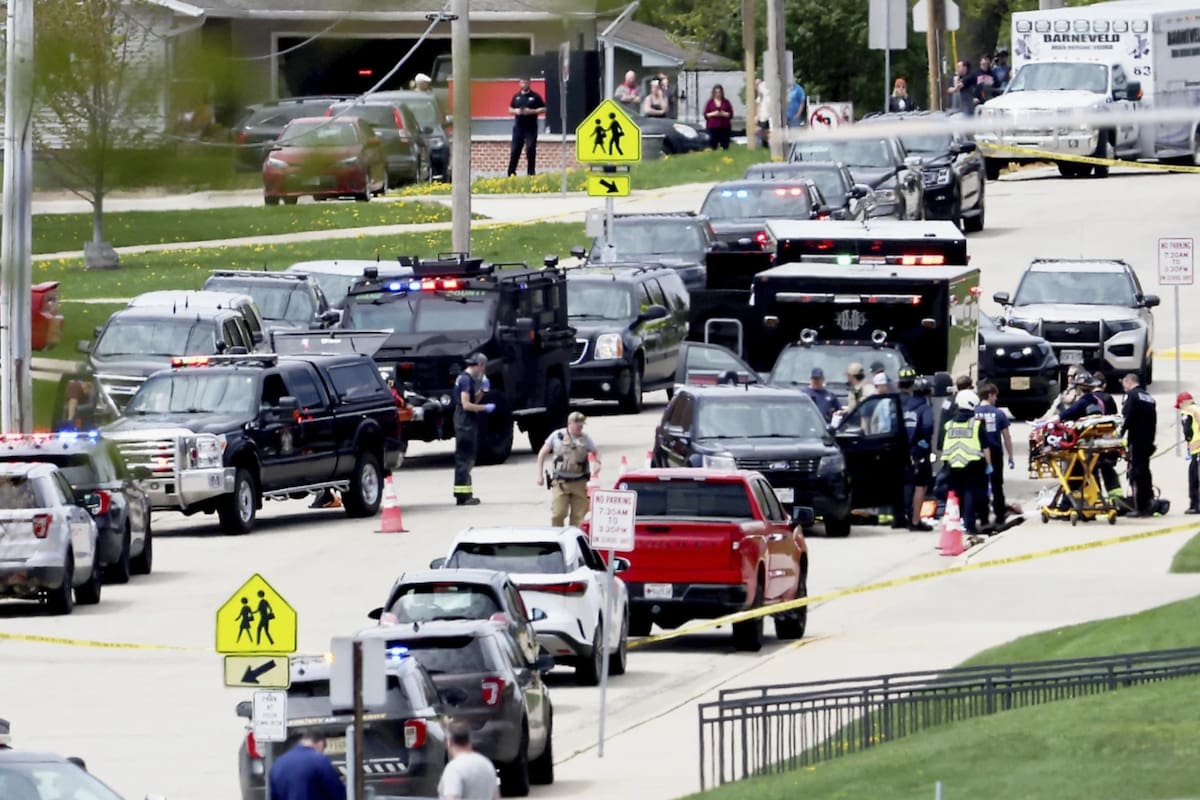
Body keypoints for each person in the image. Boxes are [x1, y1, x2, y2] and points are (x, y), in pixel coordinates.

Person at [536, 411, 600, 526]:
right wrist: (539, 475)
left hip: (579, 483)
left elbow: (596, 452)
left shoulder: (585, 439)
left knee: (579, 517)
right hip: (561, 483)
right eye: (578, 425)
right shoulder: (556, 436)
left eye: (582, 425)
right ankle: (557, 538)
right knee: (558, 514)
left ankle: (574, 540)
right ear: (570, 423)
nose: (580, 427)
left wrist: (598, 462)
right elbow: (542, 453)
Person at [942, 389, 992, 535]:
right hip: (972, 464)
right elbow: (985, 447)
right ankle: (970, 525)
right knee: (970, 493)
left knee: (958, 494)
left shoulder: (949, 424)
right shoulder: (976, 424)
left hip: (953, 465)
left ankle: (961, 521)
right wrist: (989, 464)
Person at [453, 354, 496, 506]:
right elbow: (466, 404)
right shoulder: (465, 379)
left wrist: (483, 392)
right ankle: (462, 496)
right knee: (465, 458)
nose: (483, 371)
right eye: (483, 367)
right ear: (479, 364)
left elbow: (472, 401)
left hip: (466, 420)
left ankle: (465, 494)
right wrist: (485, 408)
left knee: (468, 458)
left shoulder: (467, 379)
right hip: (465, 421)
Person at [975, 382, 1014, 530]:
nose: (996, 399)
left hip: (978, 453)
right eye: (995, 395)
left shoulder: (974, 412)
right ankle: (999, 515)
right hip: (995, 452)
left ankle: (983, 517)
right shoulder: (999, 414)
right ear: (990, 395)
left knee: (981, 485)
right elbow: (1006, 437)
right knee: (997, 485)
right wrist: (1010, 456)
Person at [268, 729, 346, 800]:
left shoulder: (277, 764)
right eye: (322, 749)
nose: (321, 752)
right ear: (320, 743)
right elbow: (336, 792)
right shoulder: (319, 760)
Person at [1120, 373, 1157, 516]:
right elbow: (1154, 421)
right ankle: (1149, 500)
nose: (1124, 387)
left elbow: (1126, 418)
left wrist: (1119, 435)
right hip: (1147, 440)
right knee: (1145, 471)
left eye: (1124, 384)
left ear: (1128, 382)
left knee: (1136, 472)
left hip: (1136, 440)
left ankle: (1140, 506)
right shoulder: (1149, 398)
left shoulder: (1132, 396)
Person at [902, 374, 935, 531]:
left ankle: (904, 516)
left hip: (903, 452)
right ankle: (915, 521)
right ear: (927, 393)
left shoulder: (905, 407)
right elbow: (927, 428)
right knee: (920, 486)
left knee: (907, 485)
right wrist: (923, 445)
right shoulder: (925, 409)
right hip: (919, 453)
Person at [438, 721, 500, 800]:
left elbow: (452, 797)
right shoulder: (487, 765)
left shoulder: (454, 769)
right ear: (469, 741)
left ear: (449, 742)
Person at [506, 77, 545, 177]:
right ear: (520, 83)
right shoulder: (516, 96)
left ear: (529, 83)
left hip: (531, 127)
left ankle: (531, 173)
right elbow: (510, 109)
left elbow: (544, 108)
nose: (524, 84)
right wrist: (516, 111)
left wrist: (532, 111)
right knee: (515, 149)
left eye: (526, 82)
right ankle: (511, 172)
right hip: (519, 127)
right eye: (522, 82)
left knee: (530, 148)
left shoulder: (535, 96)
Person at [1177, 391, 1200, 514]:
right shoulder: (1198, 409)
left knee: (1194, 478)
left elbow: (1187, 429)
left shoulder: (1187, 410)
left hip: (1197, 450)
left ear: (1182, 403)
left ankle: (1195, 506)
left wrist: (1188, 440)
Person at [703, 85, 733, 150]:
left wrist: (723, 114)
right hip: (713, 127)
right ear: (713, 93)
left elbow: (730, 114)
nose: (718, 94)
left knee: (725, 145)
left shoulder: (726, 102)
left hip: (724, 127)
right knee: (713, 145)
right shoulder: (710, 102)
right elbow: (706, 115)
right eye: (716, 92)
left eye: (719, 92)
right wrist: (713, 113)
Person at [755, 78, 771, 147]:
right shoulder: (759, 96)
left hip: (767, 115)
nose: (758, 85)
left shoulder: (767, 94)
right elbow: (758, 106)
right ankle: (764, 145)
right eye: (756, 84)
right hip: (762, 116)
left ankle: (767, 144)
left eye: (759, 84)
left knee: (767, 130)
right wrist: (757, 116)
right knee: (763, 131)